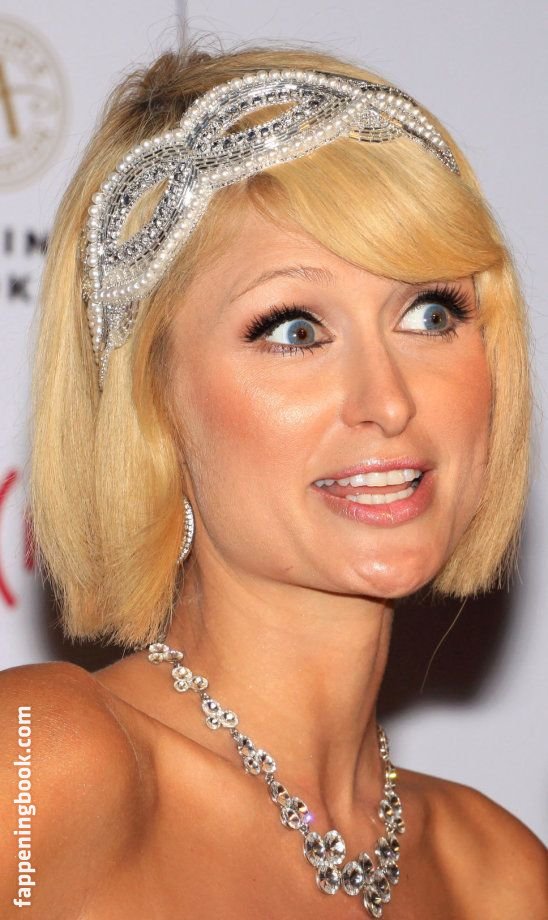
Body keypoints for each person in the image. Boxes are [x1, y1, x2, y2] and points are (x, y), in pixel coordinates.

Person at [1, 39, 545, 919]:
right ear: (155, 403)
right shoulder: (43, 766)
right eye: (293, 330)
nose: (389, 401)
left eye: (429, 312)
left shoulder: (501, 877)